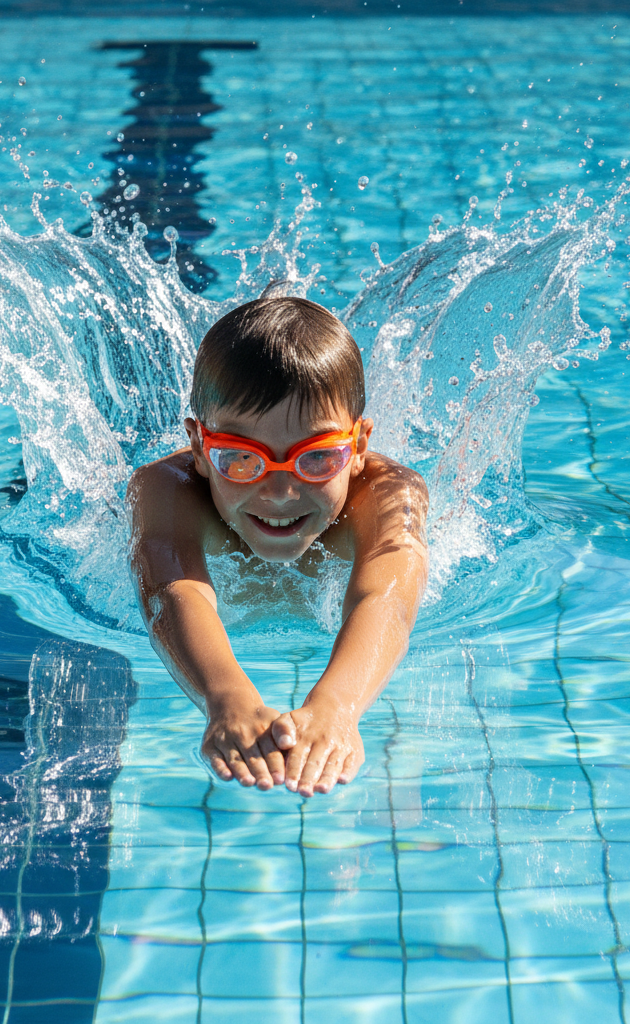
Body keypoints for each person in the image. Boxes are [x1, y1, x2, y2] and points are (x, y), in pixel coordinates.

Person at [129, 297, 428, 797]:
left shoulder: (388, 494)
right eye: (242, 460)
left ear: (358, 447)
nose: (280, 491)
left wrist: (337, 706)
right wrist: (226, 696)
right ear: (201, 449)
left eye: (316, 459)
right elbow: (171, 588)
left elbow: (388, 598)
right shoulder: (167, 491)